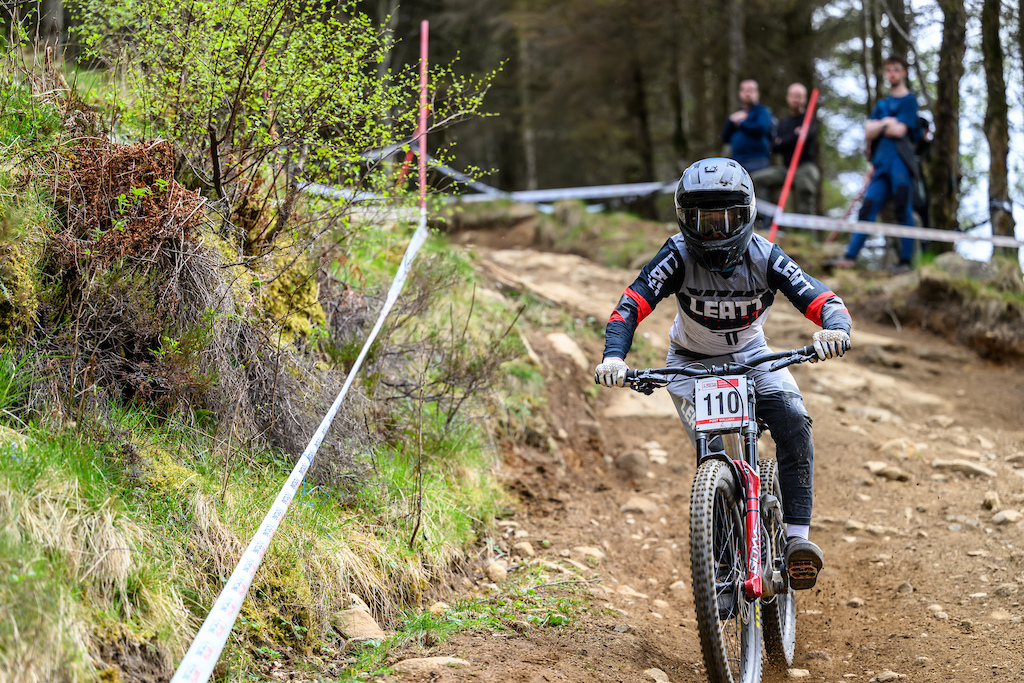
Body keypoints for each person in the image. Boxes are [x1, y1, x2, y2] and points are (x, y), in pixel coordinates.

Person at [594, 158, 852, 590]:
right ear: (683, 219)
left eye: (725, 219)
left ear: (746, 214)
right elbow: (630, 305)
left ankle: (796, 543)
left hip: (754, 357)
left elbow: (823, 298)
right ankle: (720, 561)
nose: (714, 232)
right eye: (703, 220)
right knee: (711, 457)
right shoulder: (676, 254)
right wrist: (614, 357)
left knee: (792, 421)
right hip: (690, 364)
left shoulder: (765, 256)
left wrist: (835, 329)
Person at [834, 56, 921, 271]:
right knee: (867, 208)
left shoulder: (909, 101)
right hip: (879, 166)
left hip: (901, 164)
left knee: (903, 208)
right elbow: (868, 131)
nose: (892, 73)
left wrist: (879, 126)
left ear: (904, 73)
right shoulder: (882, 105)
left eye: (896, 70)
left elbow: (901, 130)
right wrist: (887, 123)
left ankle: (906, 261)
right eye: (889, 70)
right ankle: (850, 257)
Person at [752, 83, 820, 216]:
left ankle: (805, 234)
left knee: (805, 190)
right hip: (786, 168)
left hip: (805, 166)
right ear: (788, 98)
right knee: (757, 179)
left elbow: (806, 140)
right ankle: (760, 221)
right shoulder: (783, 122)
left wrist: (784, 140)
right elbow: (775, 147)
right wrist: (794, 136)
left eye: (799, 96)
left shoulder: (809, 119)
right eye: (793, 96)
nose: (796, 99)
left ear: (804, 99)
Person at [722, 79, 775, 182]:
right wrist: (731, 121)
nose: (747, 93)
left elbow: (762, 128)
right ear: (739, 93)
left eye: (750, 90)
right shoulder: (737, 114)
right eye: (744, 90)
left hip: (757, 161)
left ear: (757, 94)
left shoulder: (762, 111)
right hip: (737, 162)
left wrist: (741, 123)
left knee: (756, 192)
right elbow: (725, 137)